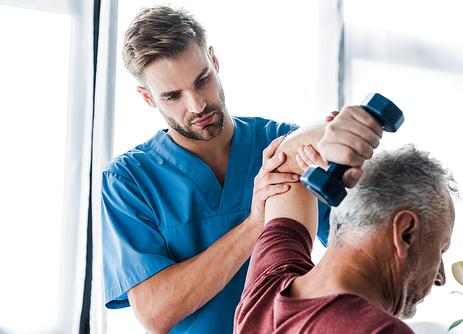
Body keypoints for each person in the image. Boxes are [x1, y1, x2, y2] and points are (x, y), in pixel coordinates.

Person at [100, 5, 357, 334]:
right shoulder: (129, 180)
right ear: (148, 99)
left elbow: (352, 245)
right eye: (173, 96)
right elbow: (156, 312)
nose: (197, 105)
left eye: (202, 80)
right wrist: (255, 223)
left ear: (214, 61)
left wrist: (346, 181)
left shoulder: (282, 145)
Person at [234, 140, 458, 333]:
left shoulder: (264, 289)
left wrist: (339, 134)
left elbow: (286, 156)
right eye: (440, 250)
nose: (441, 278)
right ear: (405, 232)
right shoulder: (379, 331)